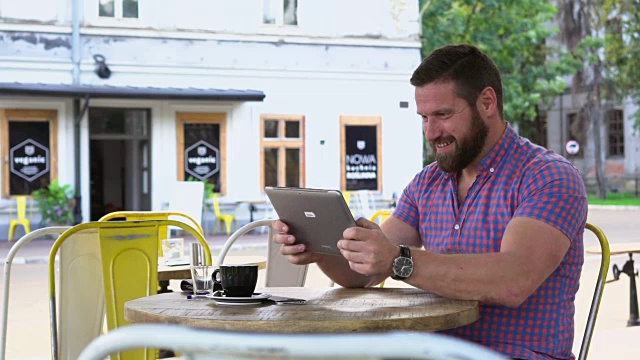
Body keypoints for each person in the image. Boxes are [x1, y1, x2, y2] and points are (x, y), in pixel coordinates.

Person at [271, 44, 587, 360]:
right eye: (424, 117)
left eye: (443, 115)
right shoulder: (428, 182)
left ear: (487, 102)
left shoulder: (549, 176)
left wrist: (398, 260)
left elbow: (514, 280)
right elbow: (365, 274)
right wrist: (323, 249)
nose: (431, 132)